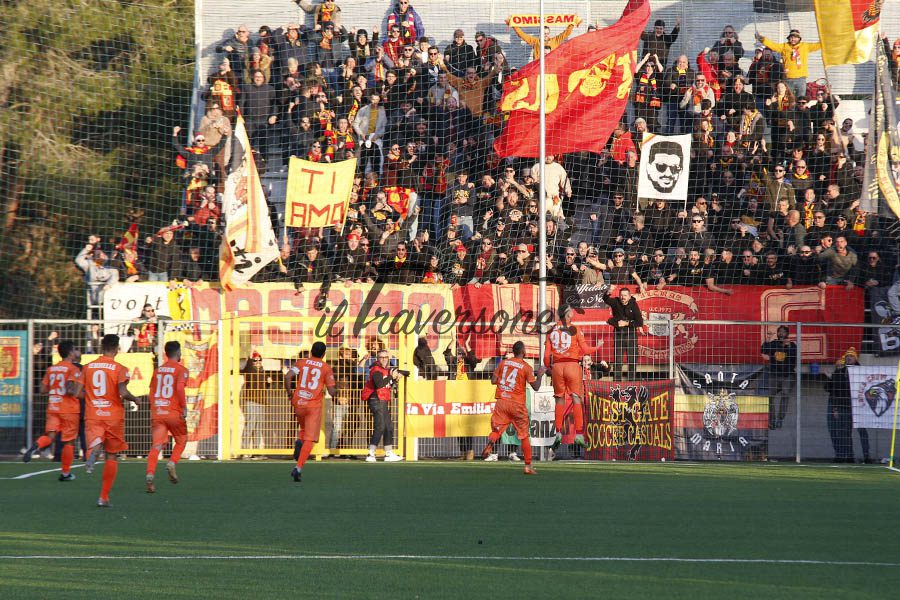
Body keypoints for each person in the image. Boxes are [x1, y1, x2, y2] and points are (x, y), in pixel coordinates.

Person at [83, 334, 140, 508]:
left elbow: (77, 391)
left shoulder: (87, 367)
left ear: (101, 347)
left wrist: (91, 397)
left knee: (94, 442)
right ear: (116, 348)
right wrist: (135, 399)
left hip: (93, 413)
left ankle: (94, 448)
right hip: (113, 415)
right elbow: (122, 392)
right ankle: (103, 497)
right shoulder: (120, 368)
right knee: (112, 455)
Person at [480, 342, 547, 475]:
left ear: (513, 351)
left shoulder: (503, 363)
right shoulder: (526, 367)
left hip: (502, 401)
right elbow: (536, 387)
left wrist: (505, 384)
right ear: (523, 351)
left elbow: (493, 380)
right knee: (524, 436)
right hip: (517, 405)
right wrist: (539, 374)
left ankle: (491, 442)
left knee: (497, 430)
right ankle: (528, 466)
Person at [544, 304, 603, 450]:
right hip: (572, 365)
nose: (573, 312)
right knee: (577, 398)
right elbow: (585, 350)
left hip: (557, 367)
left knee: (559, 399)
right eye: (571, 310)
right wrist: (598, 346)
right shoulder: (575, 329)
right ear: (567, 314)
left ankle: (557, 433)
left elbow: (546, 356)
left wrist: (549, 368)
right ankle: (579, 434)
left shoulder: (550, 331)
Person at [25, 341, 83, 482]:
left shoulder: (52, 369)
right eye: (75, 349)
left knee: (50, 436)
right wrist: (82, 393)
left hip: (53, 407)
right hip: (68, 409)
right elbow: (70, 390)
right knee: (69, 442)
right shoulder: (73, 369)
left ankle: (36, 445)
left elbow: (43, 389)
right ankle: (65, 473)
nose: (76, 351)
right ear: (70, 353)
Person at [285, 342, 337, 482]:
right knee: (310, 438)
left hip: (298, 402)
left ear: (311, 351)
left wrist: (290, 394)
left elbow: (288, 377)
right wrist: (335, 390)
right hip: (313, 405)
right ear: (324, 354)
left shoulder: (302, 362)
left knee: (303, 429)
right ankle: (298, 468)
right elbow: (332, 392)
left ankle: (299, 442)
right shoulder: (326, 368)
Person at [144, 341, 189, 494]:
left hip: (158, 411)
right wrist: (184, 407)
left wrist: (155, 408)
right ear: (178, 353)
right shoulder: (181, 370)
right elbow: (179, 388)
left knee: (156, 446)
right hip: (173, 412)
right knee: (182, 439)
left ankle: (150, 474)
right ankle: (172, 462)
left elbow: (151, 391)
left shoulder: (157, 371)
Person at [825, 347, 871, 464]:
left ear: (856, 358)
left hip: (859, 407)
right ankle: (849, 456)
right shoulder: (840, 372)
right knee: (845, 432)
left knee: (862, 432)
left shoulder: (862, 371)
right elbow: (833, 390)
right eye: (847, 356)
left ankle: (867, 456)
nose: (849, 358)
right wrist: (830, 378)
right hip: (844, 406)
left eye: (851, 356)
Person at [362, 348, 404, 462]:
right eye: (381, 357)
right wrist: (392, 376)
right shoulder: (375, 369)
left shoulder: (386, 369)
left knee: (388, 427)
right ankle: (370, 454)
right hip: (376, 400)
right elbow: (380, 384)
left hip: (383, 400)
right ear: (377, 358)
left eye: (386, 357)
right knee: (380, 426)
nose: (384, 359)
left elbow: (387, 384)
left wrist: (395, 379)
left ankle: (388, 453)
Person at [603, 285, 644, 381]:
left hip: (631, 335)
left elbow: (640, 322)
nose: (623, 297)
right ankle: (617, 383)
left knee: (632, 361)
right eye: (621, 295)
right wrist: (609, 291)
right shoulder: (616, 301)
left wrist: (626, 323)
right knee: (618, 361)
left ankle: (631, 382)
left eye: (625, 295)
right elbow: (605, 299)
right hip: (618, 335)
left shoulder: (633, 304)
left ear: (629, 296)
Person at [760, 325, 797, 430]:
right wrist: (767, 339)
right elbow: (763, 350)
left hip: (787, 376)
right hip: (774, 375)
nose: (781, 334)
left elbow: (794, 356)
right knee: (770, 397)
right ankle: (772, 420)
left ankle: (780, 419)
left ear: (787, 334)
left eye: (783, 332)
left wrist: (788, 346)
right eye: (780, 332)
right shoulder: (774, 344)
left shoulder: (792, 345)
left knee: (785, 395)